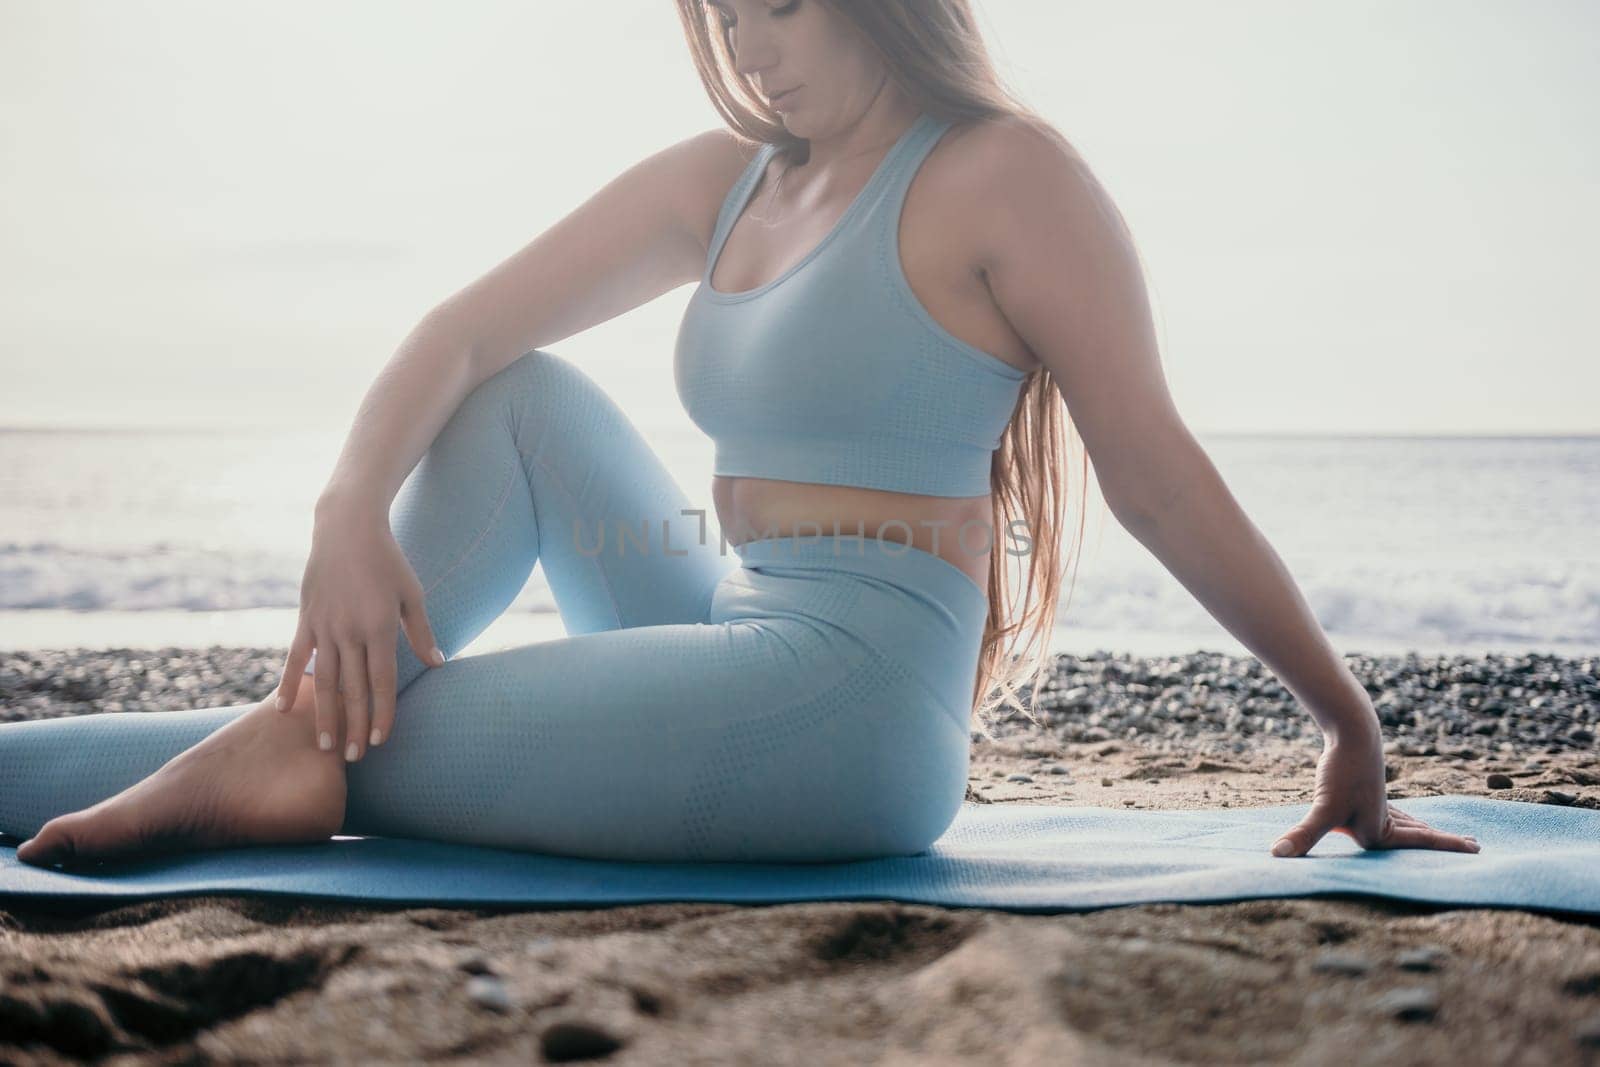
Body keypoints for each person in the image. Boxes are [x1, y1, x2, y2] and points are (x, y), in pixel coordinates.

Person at [2, 0, 1478, 868]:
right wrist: (343, 513)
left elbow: (1157, 473)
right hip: (726, 617)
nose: (753, 49)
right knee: (512, 400)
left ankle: (296, 751)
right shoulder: (734, 180)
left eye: (782, 1)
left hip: (850, 710)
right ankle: (280, 734)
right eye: (723, 11)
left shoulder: (1005, 177)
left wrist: (1345, 719)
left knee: (337, 748)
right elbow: (457, 330)